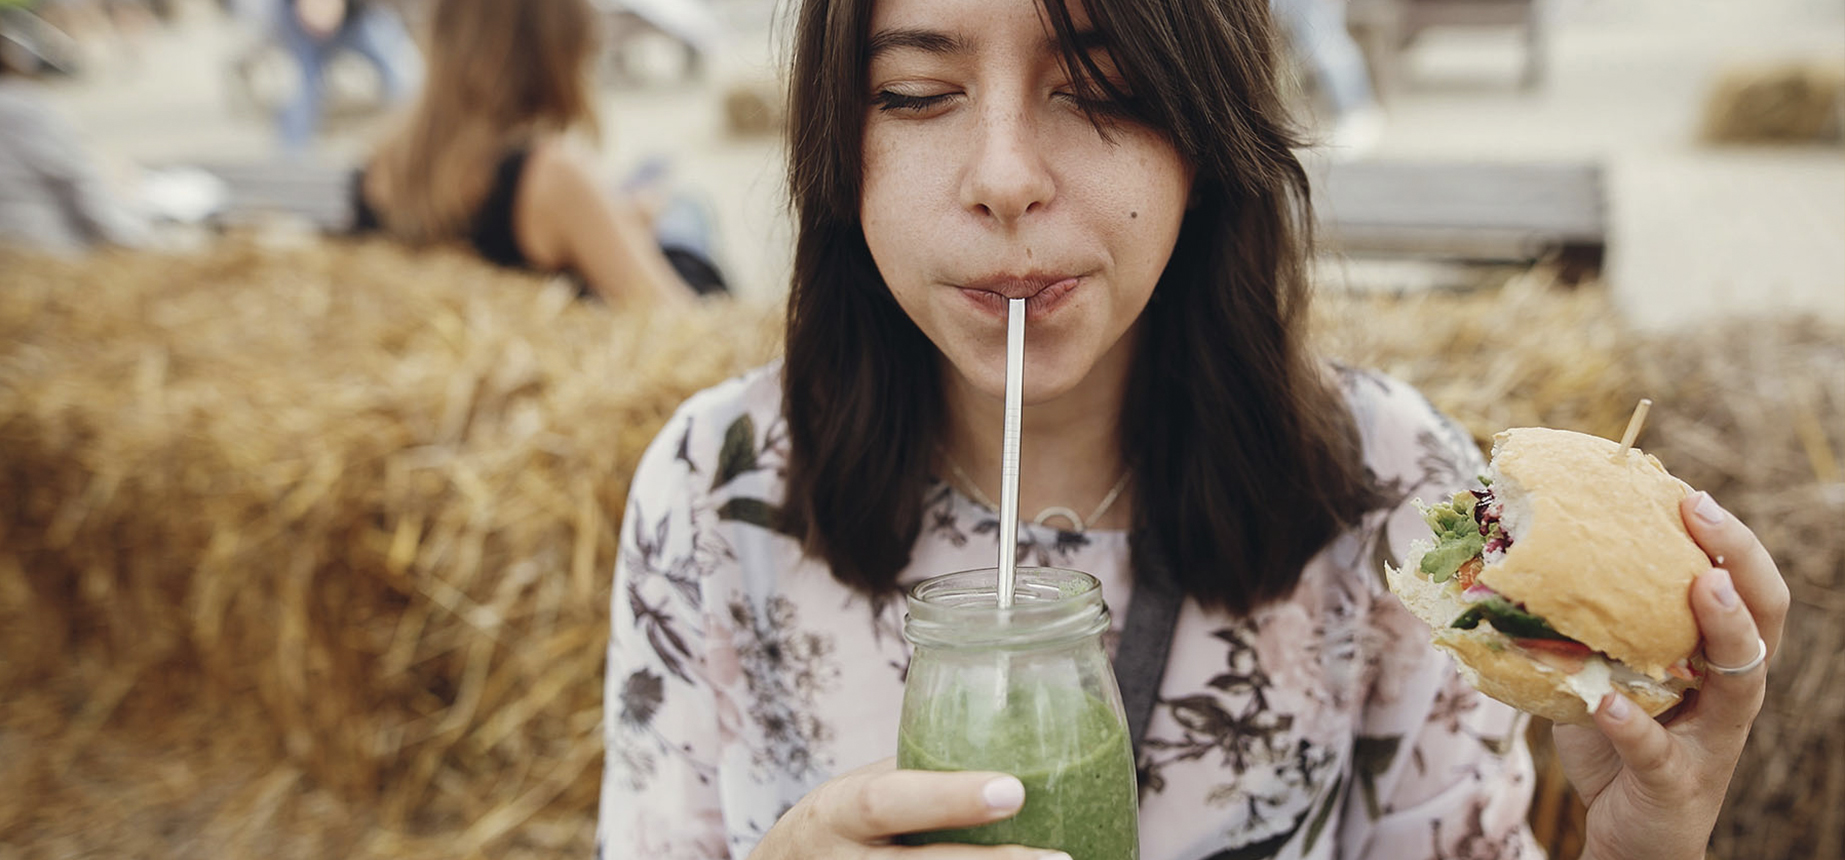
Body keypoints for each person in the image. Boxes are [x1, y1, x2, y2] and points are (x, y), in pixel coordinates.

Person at [595, 0, 1788, 857]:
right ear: (835, 142)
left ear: (1207, 132)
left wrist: (1646, 844)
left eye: (1100, 86)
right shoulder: (716, 493)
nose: (1004, 176)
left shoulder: (1399, 498)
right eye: (917, 92)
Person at [351, 0, 722, 305]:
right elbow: (676, 316)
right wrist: (628, 231)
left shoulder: (380, 162)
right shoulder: (550, 174)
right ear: (557, 45)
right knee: (687, 211)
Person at [0, 47, 147, 252]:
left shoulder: (20, 104)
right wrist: (131, 243)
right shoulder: (21, 105)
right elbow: (83, 185)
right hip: (48, 253)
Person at [274, 0, 417, 154]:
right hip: (301, 25)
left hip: (358, 17)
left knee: (407, 79)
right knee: (300, 94)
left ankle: (413, 150)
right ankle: (293, 157)